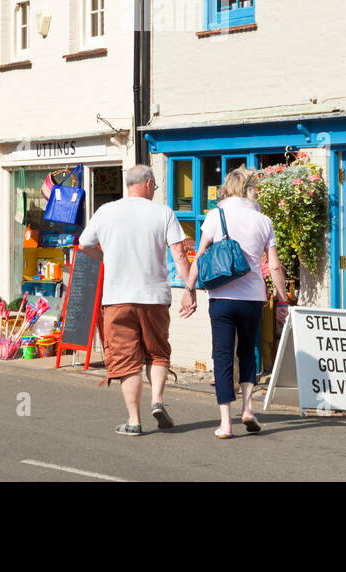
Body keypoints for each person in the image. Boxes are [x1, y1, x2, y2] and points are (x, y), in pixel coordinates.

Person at [78, 164, 195, 436]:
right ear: (149, 184)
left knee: (126, 358)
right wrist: (189, 289)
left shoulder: (106, 211)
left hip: (117, 298)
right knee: (157, 352)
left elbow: (84, 245)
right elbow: (179, 254)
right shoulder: (163, 213)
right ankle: (157, 400)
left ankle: (134, 421)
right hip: (154, 297)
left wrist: (103, 257)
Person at [187, 167, 289, 439]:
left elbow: (200, 256)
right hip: (253, 298)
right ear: (250, 190)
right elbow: (275, 266)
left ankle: (226, 424)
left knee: (222, 356)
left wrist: (189, 288)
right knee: (247, 353)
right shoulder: (263, 220)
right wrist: (282, 300)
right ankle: (248, 409)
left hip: (221, 297)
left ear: (228, 188)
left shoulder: (214, 216)